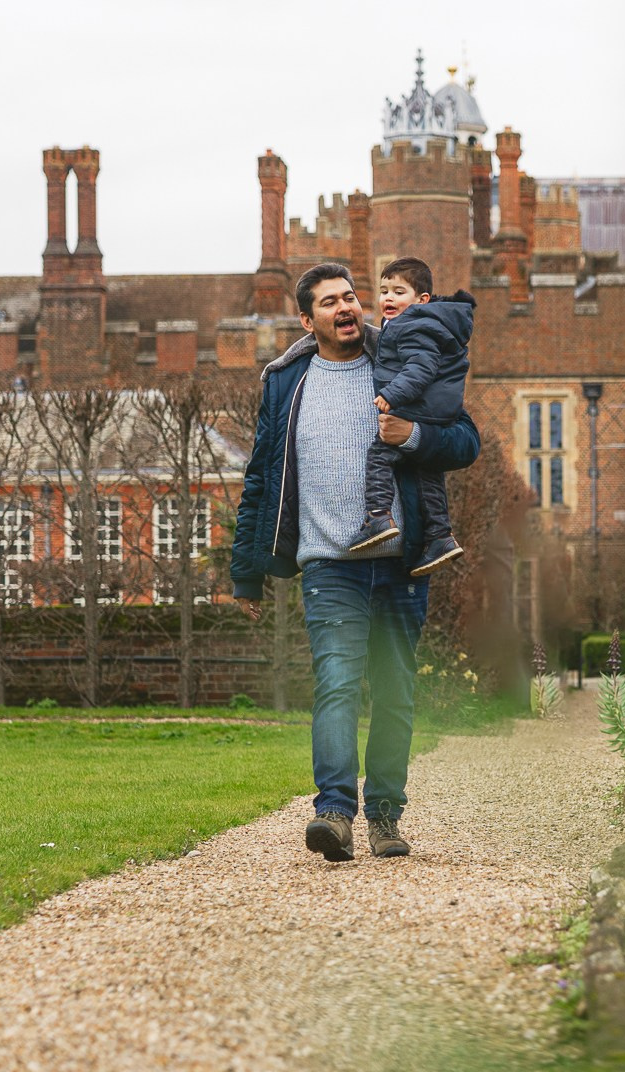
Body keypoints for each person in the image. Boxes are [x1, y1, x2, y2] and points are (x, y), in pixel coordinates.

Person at [228, 263, 481, 863]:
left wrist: (412, 436)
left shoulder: (397, 355)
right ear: (306, 318)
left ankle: (386, 817)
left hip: (400, 563)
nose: (345, 308)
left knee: (394, 692)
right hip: (329, 565)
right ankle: (334, 813)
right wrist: (246, 570)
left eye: (350, 297)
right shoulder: (285, 382)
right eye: (329, 302)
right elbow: (261, 476)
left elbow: (465, 440)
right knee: (337, 685)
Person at [347, 256, 472, 577]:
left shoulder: (412, 326)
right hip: (438, 409)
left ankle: (377, 516)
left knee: (380, 454)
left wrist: (392, 394)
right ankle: (441, 535)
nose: (388, 298)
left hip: (419, 406)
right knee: (426, 470)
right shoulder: (423, 324)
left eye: (398, 292)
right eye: (384, 290)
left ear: (422, 300)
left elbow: (421, 368)